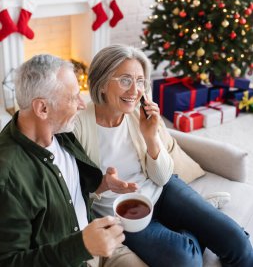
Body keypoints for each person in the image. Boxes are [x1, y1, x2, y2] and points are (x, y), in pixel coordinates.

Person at [74, 44, 253, 267]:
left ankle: (193, 223)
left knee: (239, 244)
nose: (135, 91)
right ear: (101, 84)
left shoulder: (140, 114)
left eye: (140, 81)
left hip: (163, 190)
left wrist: (151, 138)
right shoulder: (78, 127)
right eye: (125, 80)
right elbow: (71, 191)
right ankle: (195, 228)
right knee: (187, 261)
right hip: (122, 213)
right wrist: (102, 185)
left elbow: (163, 177)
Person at [0, 54, 147, 267]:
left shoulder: (60, 131)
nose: (81, 104)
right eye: (73, 97)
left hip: (94, 244)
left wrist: (102, 185)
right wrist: (81, 247)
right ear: (42, 108)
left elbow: (68, 189)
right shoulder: (8, 177)